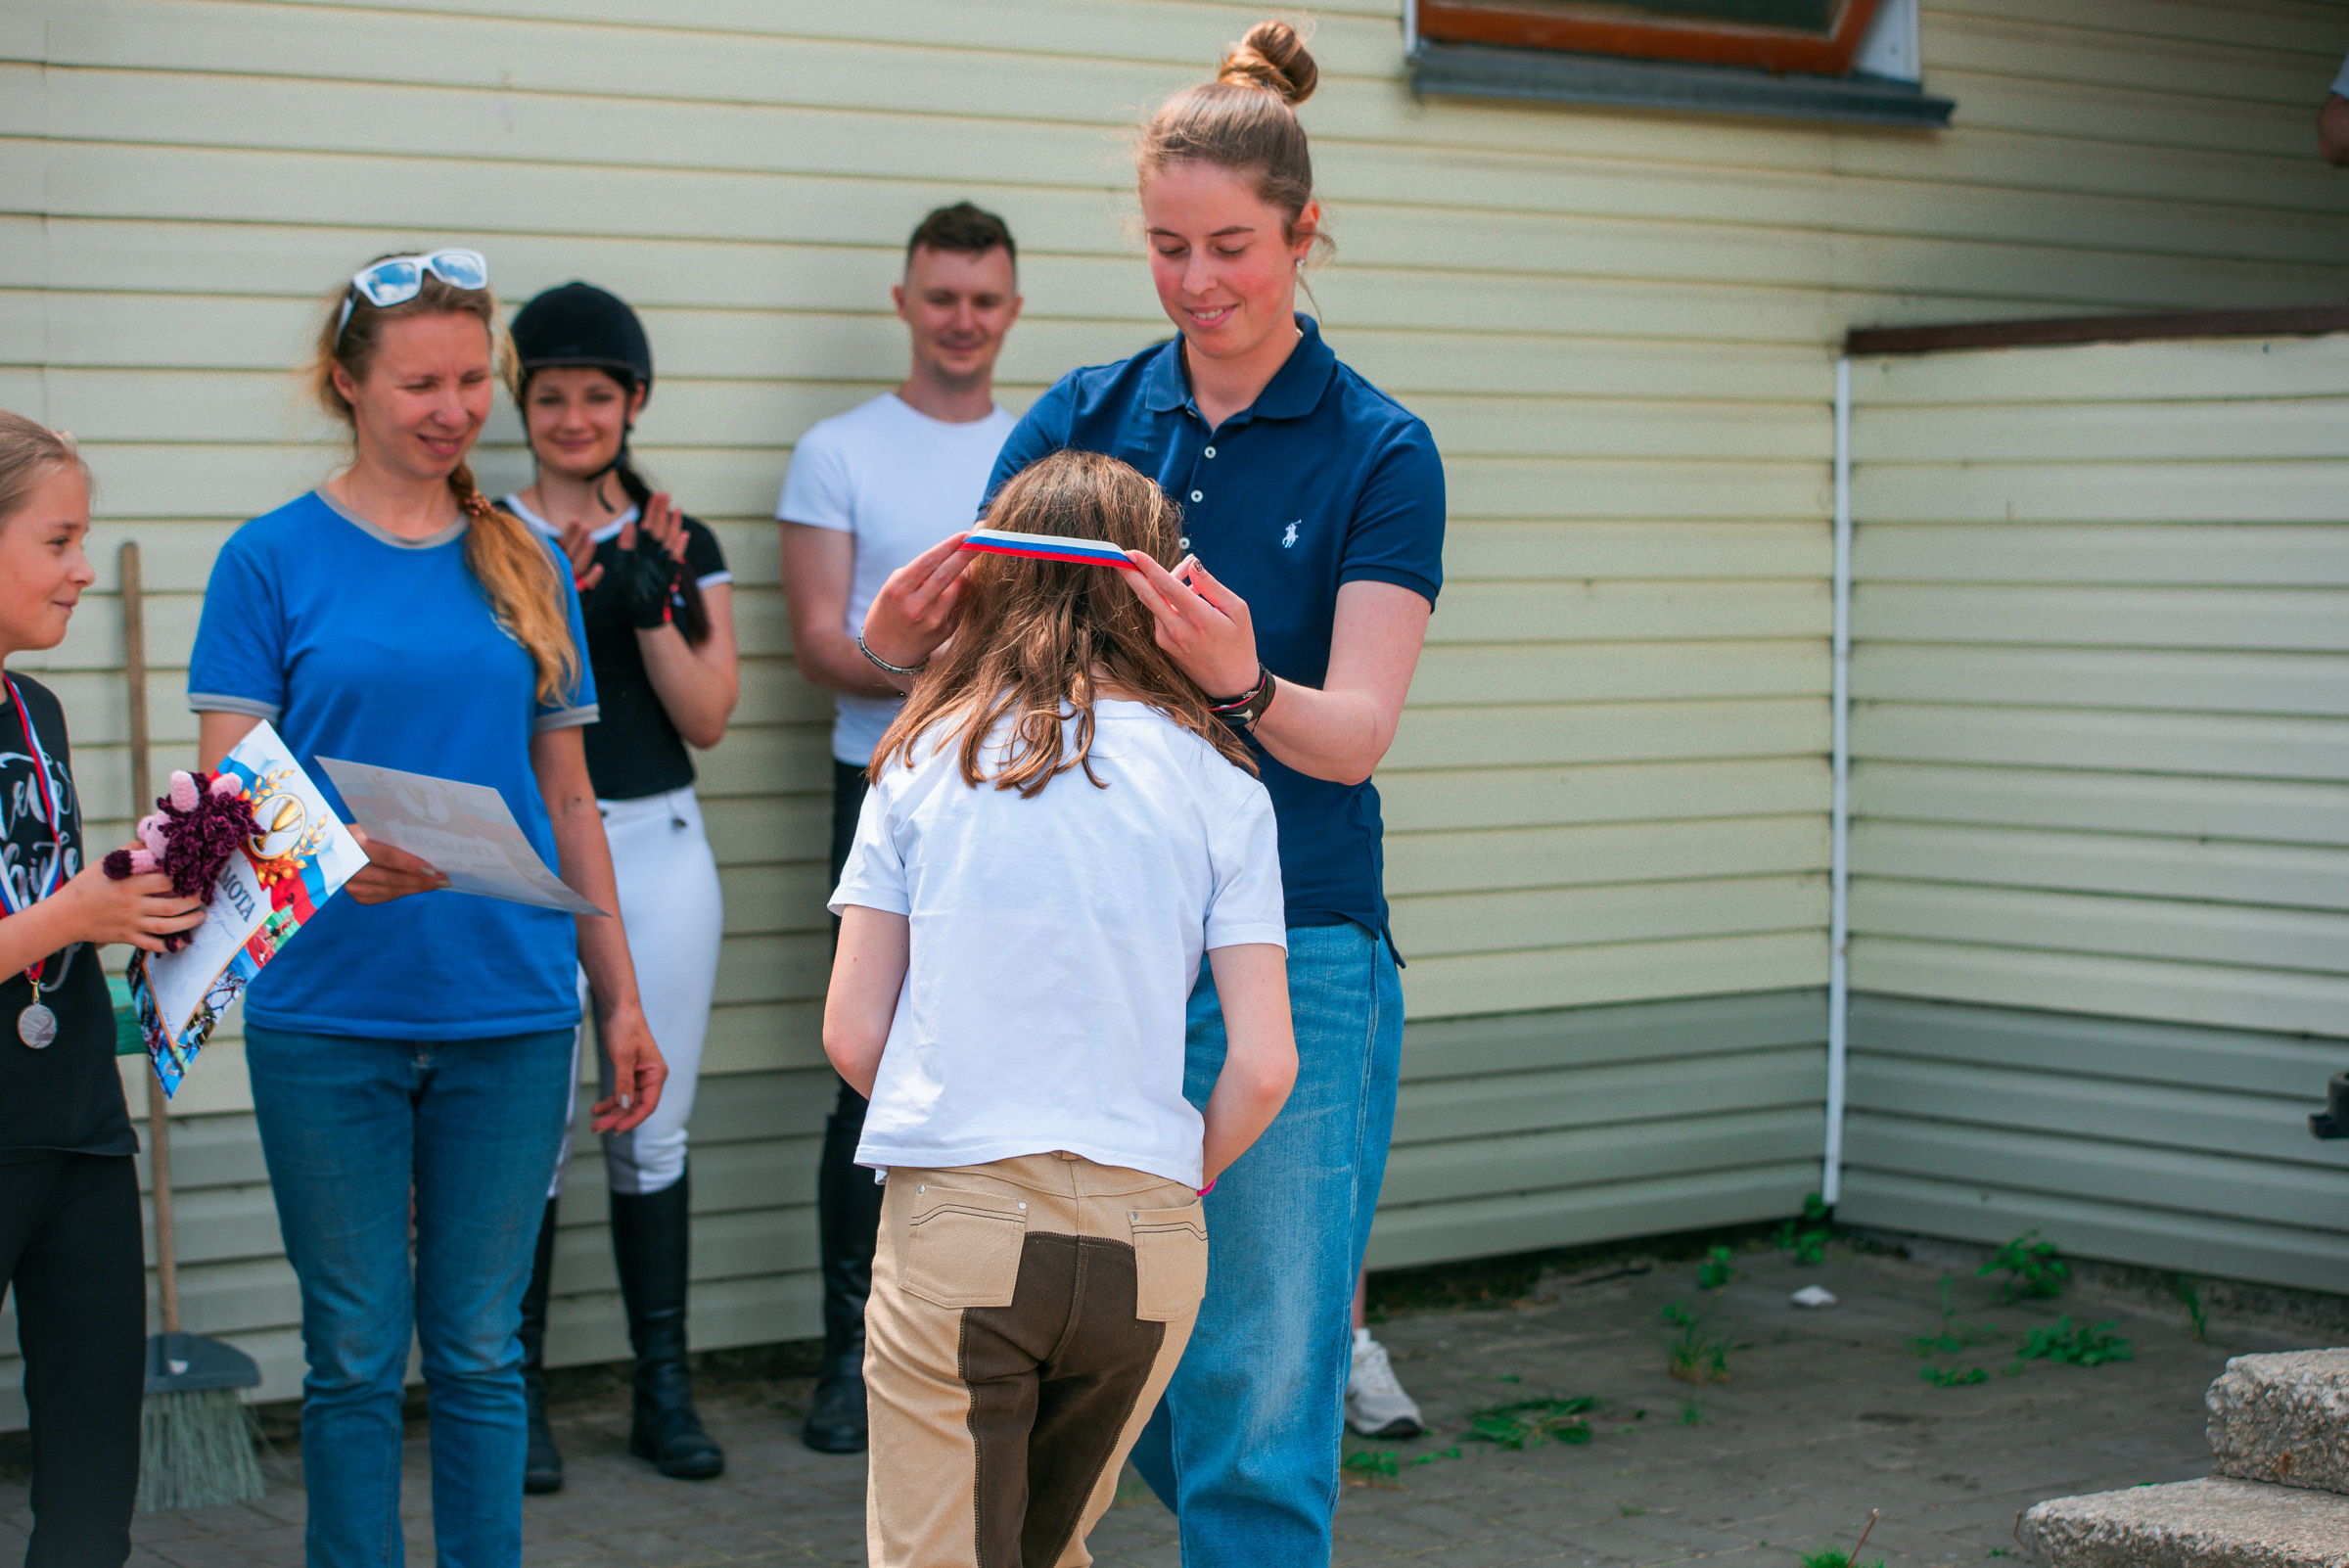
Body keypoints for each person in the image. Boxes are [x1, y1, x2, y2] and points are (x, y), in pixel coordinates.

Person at [858, 23, 1446, 1561]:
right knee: (1123, 1365)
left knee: (1260, 1373)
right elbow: (968, 646)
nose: (1198, 283)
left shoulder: (1383, 448)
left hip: (1293, 942)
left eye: (1234, 248)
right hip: (1084, 945)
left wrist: (1245, 679)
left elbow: (1356, 730)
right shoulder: (1085, 412)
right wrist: (892, 631)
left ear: (1305, 236)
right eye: (1170, 247)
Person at [186, 251, 668, 1567]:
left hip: (508, 1005)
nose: (454, 407)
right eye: (421, 381)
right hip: (325, 1010)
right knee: (349, 1353)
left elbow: (572, 803)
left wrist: (619, 993)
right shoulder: (267, 559)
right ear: (348, 382)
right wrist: (330, 846)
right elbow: (233, 794)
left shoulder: (525, 560)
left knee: (478, 1346)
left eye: (471, 379)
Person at [824, 449, 1297, 1568]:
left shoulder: (918, 765)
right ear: (1164, 596)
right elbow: (1266, 1064)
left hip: (962, 1221)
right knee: (1045, 1551)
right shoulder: (1226, 786)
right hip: (1149, 1239)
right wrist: (1180, 1168)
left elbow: (851, 1036)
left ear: (984, 581)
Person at [775, 201, 1024, 1454]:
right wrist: (928, 655)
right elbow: (828, 648)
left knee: (1004, 1066)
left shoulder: (1048, 444)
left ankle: (988, 1350)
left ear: (1013, 310)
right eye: (942, 297)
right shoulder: (839, 450)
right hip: (880, 793)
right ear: (905, 303)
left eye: (984, 300)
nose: (963, 321)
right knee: (863, 1079)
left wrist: (937, 657)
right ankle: (846, 1356)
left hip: (1028, 803)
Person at [495, 282, 740, 1492]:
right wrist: (557, 606)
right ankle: (518, 1395)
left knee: (654, 1124)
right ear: (521, 402)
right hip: (528, 853)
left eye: (599, 394)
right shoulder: (483, 533)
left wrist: (646, 609)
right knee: (530, 1134)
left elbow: (709, 715)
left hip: (657, 841)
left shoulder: (680, 538)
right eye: (551, 395)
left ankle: (662, 1392)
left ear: (633, 401)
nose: (575, 416)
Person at [0, 414, 207, 1568]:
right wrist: (71, 914)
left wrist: (162, 904)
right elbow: (46, 916)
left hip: (78, 1131)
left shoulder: (41, 714)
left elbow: (55, 914)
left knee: (89, 1495)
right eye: (58, 537)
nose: (83, 567)